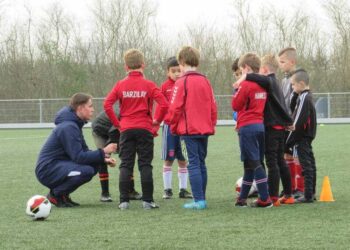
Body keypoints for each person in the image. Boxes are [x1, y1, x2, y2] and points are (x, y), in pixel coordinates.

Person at [104, 49, 169, 210]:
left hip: (126, 129)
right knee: (145, 164)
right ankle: (147, 201)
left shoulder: (120, 84)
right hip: (144, 128)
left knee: (126, 164)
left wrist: (118, 124)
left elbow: (107, 105)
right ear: (143, 65)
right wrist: (156, 122)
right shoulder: (149, 84)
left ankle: (123, 201)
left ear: (126, 67)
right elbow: (164, 104)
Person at [35, 93, 117, 208]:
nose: (93, 110)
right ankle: (55, 195)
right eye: (90, 106)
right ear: (80, 108)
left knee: (94, 165)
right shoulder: (68, 127)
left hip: (57, 165)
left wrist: (103, 159)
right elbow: (79, 157)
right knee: (87, 170)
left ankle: (63, 195)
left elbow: (85, 151)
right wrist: (104, 151)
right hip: (48, 170)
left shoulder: (74, 125)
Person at [233, 54, 294, 206]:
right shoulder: (271, 84)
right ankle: (287, 193)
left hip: (267, 127)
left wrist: (245, 78)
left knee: (267, 162)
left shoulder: (268, 81)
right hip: (272, 126)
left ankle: (269, 197)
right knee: (278, 161)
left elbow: (236, 104)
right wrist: (287, 120)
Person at [165, 46, 217, 210]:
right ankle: (202, 197)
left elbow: (174, 108)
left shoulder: (181, 82)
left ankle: (199, 200)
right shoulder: (205, 81)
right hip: (205, 129)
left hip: (188, 130)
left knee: (193, 163)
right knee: (201, 163)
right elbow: (213, 107)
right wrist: (211, 124)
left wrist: (172, 125)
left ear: (181, 62)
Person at [232, 53, 272, 208]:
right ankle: (242, 199)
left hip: (247, 127)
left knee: (255, 163)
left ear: (246, 68)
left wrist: (236, 90)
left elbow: (236, 105)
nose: (241, 74)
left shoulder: (246, 85)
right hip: (259, 126)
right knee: (249, 164)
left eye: (241, 70)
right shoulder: (263, 84)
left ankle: (265, 198)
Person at [154, 57, 192, 199]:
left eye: (178, 70)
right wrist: (156, 122)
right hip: (169, 127)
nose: (176, 74)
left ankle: (183, 189)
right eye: (173, 71)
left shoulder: (186, 84)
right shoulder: (164, 87)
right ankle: (167, 190)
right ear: (167, 72)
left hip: (183, 127)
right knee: (168, 158)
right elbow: (161, 107)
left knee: (183, 159)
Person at [91, 110, 142, 202]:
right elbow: (113, 133)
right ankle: (105, 194)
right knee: (103, 158)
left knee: (127, 158)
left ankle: (131, 191)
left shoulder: (136, 114)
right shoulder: (126, 114)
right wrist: (113, 150)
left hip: (112, 129)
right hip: (99, 130)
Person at [286, 69, 317, 203]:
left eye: (293, 85)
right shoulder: (303, 96)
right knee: (310, 163)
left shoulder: (304, 97)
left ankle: (308, 195)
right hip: (306, 136)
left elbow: (298, 120)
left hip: (302, 136)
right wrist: (294, 93)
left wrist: (288, 141)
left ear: (302, 83)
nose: (292, 87)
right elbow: (293, 108)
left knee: (306, 165)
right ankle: (311, 193)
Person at [278, 47, 304, 198]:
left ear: (292, 61)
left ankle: (299, 188)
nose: (280, 64)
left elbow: (297, 102)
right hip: (285, 122)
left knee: (297, 155)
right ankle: (290, 188)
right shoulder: (283, 80)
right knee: (286, 155)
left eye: (283, 61)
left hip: (293, 123)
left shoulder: (299, 78)